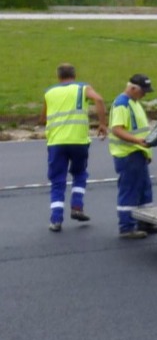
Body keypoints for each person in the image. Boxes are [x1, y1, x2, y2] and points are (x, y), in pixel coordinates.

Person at [41, 63, 107, 232]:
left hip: (56, 142)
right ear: (74, 75)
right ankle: (77, 207)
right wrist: (102, 124)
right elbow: (98, 99)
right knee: (79, 174)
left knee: (57, 181)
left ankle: (56, 219)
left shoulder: (49, 92)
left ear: (58, 76)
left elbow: (43, 117)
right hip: (78, 140)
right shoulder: (82, 88)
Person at [109, 74, 157, 239]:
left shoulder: (135, 103)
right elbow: (117, 129)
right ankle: (127, 227)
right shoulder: (122, 104)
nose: (145, 95)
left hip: (138, 153)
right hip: (128, 154)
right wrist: (137, 141)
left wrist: (146, 151)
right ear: (132, 88)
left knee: (144, 189)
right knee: (129, 190)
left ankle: (145, 221)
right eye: (143, 91)